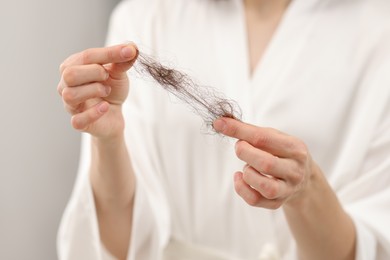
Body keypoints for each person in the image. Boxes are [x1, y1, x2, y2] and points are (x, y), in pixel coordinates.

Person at [56, 0, 390, 259]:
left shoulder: (378, 32)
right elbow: (118, 244)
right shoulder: (147, 16)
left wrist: (306, 193)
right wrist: (109, 140)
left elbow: (373, 244)